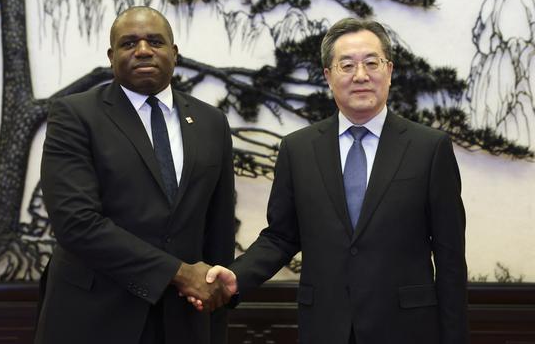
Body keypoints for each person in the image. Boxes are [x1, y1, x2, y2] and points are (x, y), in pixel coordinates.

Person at [194, 18, 469, 344]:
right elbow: (281, 237)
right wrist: (236, 276)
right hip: (325, 326)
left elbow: (450, 257)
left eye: (372, 62)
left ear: (390, 70)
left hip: (406, 328)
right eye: (347, 65)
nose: (361, 75)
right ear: (328, 76)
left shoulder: (429, 147)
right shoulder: (298, 149)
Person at [35, 6, 235, 344]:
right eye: (129, 43)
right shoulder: (74, 115)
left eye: (155, 41)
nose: (143, 50)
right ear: (111, 57)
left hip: (185, 317)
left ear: (175, 53)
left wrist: (214, 298)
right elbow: (76, 223)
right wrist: (180, 273)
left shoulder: (212, 121)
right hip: (94, 318)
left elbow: (218, 225)